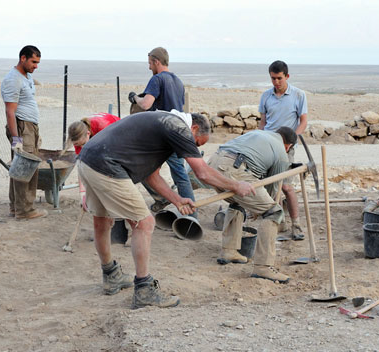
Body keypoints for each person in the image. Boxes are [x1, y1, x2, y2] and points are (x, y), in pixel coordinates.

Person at [77, 110, 254, 309]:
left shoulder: (162, 125)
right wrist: (236, 186)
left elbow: (152, 176)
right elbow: (202, 172)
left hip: (87, 159)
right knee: (144, 223)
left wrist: (177, 200)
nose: (193, 149)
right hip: (107, 166)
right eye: (196, 143)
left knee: (102, 220)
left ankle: (111, 275)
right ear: (193, 129)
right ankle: (144, 290)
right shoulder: (177, 128)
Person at [208, 127, 297, 283]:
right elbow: (272, 188)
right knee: (273, 212)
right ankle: (263, 267)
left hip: (213, 164)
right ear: (288, 146)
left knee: (238, 201)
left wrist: (256, 206)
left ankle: (229, 250)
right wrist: (260, 210)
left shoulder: (260, 133)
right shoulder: (282, 153)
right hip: (234, 169)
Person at [127, 47, 195, 216]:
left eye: (150, 63)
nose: (149, 67)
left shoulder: (157, 79)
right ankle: (192, 217)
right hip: (176, 133)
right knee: (180, 176)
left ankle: (161, 197)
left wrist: (135, 97)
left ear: (156, 61)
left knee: (141, 169)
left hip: (158, 136)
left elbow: (145, 104)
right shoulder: (178, 81)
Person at [258, 60, 307, 241]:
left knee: (286, 186)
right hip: (269, 146)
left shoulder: (298, 95)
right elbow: (263, 123)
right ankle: (281, 222)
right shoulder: (266, 96)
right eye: (273, 78)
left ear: (287, 76)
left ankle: (296, 225)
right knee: (273, 186)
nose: (276, 82)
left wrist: (293, 140)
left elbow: (303, 121)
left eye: (279, 78)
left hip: (287, 147)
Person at [1, 45, 47, 220]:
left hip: (30, 127)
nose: (36, 66)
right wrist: (16, 140)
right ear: (23, 58)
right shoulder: (13, 80)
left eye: (38, 62)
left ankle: (16, 208)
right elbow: (10, 112)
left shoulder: (25, 76)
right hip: (21, 127)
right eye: (34, 62)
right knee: (26, 168)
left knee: (20, 167)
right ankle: (24, 210)